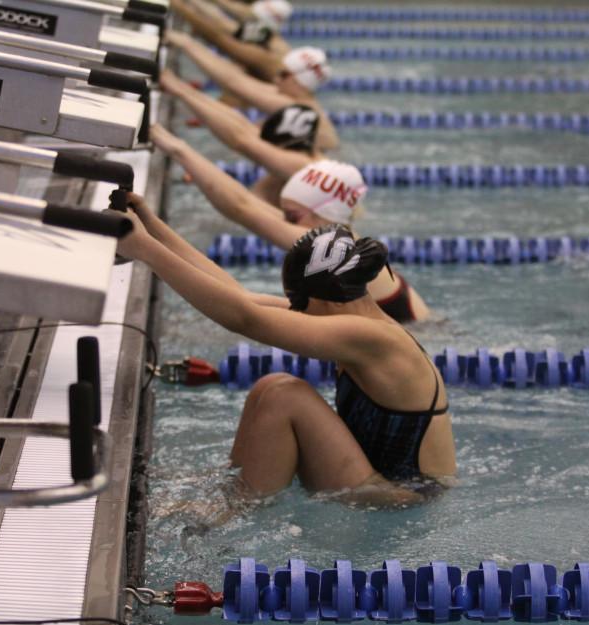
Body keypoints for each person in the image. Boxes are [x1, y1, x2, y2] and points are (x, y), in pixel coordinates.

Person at [118, 201, 456, 503]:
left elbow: (244, 318)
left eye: (298, 304)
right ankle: (229, 489)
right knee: (269, 387)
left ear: (321, 299)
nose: (295, 312)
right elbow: (241, 297)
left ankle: (232, 510)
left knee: (284, 394)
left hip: (404, 499)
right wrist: (150, 226)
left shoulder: (371, 337)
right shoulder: (354, 318)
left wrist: (144, 250)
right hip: (378, 479)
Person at [151, 123, 431, 322]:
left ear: (323, 211)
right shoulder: (340, 239)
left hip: (421, 340)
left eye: (292, 217)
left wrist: (179, 150)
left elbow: (242, 208)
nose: (284, 222)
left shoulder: (337, 250)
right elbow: (249, 205)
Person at [160, 68, 321, 205]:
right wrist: (182, 90)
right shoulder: (301, 155)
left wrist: (177, 147)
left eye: (284, 74)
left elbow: (241, 140)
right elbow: (244, 129)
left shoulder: (302, 166)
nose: (276, 79)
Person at [166, 30, 340, 149]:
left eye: (283, 74)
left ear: (300, 81)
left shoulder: (297, 107)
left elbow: (234, 83)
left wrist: (187, 44)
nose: (276, 78)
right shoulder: (297, 101)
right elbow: (237, 80)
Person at [168, 0, 292, 82]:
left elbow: (220, 33)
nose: (247, 19)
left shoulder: (267, 40)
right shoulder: (267, 34)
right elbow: (232, 15)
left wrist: (179, 6)